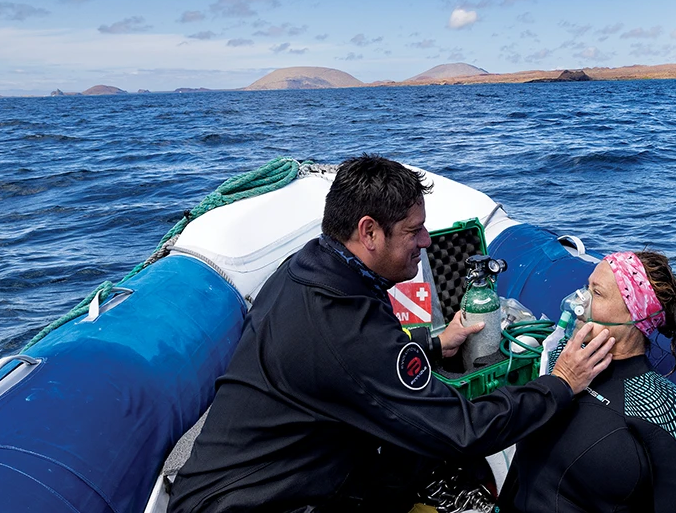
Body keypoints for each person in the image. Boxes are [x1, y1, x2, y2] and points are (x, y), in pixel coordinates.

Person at [168, 155, 615, 513]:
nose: (425, 241)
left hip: (248, 476)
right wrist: (560, 383)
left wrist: (434, 344)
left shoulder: (313, 268)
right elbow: (463, 428)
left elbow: (352, 367)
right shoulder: (344, 325)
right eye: (413, 231)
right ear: (369, 233)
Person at [498, 251, 676, 513]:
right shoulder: (561, 364)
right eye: (586, 287)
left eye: (596, 293)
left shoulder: (666, 409)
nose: (579, 299)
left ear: (636, 315)